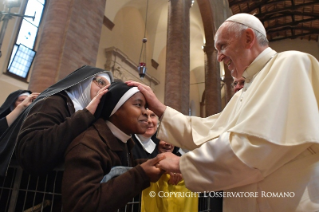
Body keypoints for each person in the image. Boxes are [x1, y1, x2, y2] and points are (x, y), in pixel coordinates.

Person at [127, 13, 319, 211]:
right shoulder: (245, 90)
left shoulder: (290, 63)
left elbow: (258, 145)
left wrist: (183, 164)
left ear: (248, 38)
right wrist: (161, 109)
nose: (219, 56)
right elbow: (210, 130)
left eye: (223, 46)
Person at [62, 81, 164, 212]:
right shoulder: (88, 145)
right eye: (138, 105)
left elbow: (119, 167)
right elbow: (80, 205)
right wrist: (141, 174)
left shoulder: (121, 140)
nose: (146, 113)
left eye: (145, 106)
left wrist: (158, 164)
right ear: (116, 109)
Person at [0, 65, 113, 176]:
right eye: (101, 83)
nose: (104, 90)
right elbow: (31, 153)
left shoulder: (92, 114)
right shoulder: (54, 102)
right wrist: (85, 115)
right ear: (85, 81)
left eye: (108, 87)